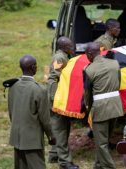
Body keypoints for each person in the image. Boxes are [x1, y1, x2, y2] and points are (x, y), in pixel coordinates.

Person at [8, 55, 56, 169]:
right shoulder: (39, 89)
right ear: (33, 67)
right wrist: (51, 135)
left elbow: (11, 112)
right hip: (32, 139)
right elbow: (45, 118)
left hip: (17, 137)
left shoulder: (13, 86)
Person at [83, 42, 124, 169]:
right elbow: (119, 82)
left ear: (90, 54)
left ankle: (109, 167)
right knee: (105, 140)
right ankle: (98, 165)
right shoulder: (114, 64)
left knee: (101, 143)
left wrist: (88, 110)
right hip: (116, 106)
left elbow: (88, 95)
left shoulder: (89, 70)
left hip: (100, 110)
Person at [47, 36, 79, 169]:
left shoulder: (64, 56)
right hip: (56, 95)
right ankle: (65, 162)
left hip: (60, 93)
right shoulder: (59, 58)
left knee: (61, 125)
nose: (73, 48)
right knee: (60, 128)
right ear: (64, 47)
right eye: (70, 46)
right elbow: (58, 74)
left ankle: (54, 154)